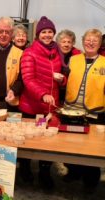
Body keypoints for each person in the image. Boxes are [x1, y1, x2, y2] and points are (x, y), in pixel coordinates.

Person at [19, 16, 66, 189]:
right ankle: (24, 169)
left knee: (48, 142)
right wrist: (43, 93)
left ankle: (45, 173)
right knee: (30, 140)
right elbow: (28, 79)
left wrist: (63, 80)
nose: (47, 35)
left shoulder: (56, 52)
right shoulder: (29, 53)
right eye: (44, 32)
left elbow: (57, 76)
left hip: (50, 109)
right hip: (34, 108)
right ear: (38, 34)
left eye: (50, 32)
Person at [63, 29, 105, 190]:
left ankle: (90, 180)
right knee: (70, 146)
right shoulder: (73, 60)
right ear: (83, 41)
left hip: (95, 111)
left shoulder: (104, 63)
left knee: (91, 150)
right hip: (71, 109)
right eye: (88, 39)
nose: (91, 42)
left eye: (95, 40)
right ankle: (73, 172)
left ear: (99, 43)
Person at [56, 29, 81, 104]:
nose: (66, 45)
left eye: (69, 42)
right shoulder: (52, 54)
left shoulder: (78, 56)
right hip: (54, 91)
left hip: (70, 93)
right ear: (58, 43)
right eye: (63, 42)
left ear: (73, 43)